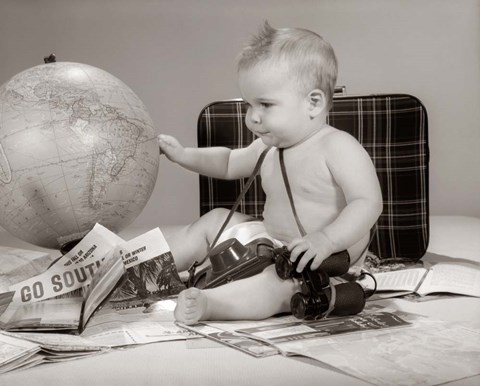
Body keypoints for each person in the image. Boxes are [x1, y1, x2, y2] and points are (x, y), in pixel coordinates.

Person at [158, 22, 383, 325]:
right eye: (249, 104)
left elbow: (367, 202)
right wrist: (183, 155)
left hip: (320, 260)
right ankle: (151, 269)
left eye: (265, 104)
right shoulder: (269, 147)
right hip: (273, 242)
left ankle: (211, 304)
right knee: (214, 219)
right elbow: (227, 163)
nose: (252, 117)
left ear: (313, 103)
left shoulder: (338, 146)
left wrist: (326, 240)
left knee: (276, 286)